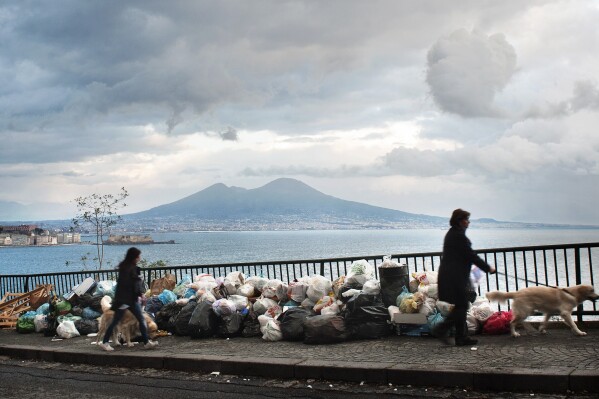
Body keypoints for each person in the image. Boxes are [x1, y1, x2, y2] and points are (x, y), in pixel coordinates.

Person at [433, 209, 496, 346]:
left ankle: (461, 337)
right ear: (460, 221)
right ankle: (443, 329)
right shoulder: (458, 236)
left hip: (452, 276)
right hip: (454, 278)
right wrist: (488, 268)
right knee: (461, 306)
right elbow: (471, 255)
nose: (468, 222)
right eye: (466, 219)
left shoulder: (454, 234)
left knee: (460, 306)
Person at [98, 247, 158, 351]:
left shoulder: (129, 267)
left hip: (131, 300)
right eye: (138, 255)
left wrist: (140, 294)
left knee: (141, 319)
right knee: (115, 321)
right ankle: (105, 342)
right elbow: (127, 285)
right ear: (134, 256)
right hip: (124, 301)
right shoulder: (127, 268)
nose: (139, 257)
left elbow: (133, 284)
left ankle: (146, 342)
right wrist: (138, 292)